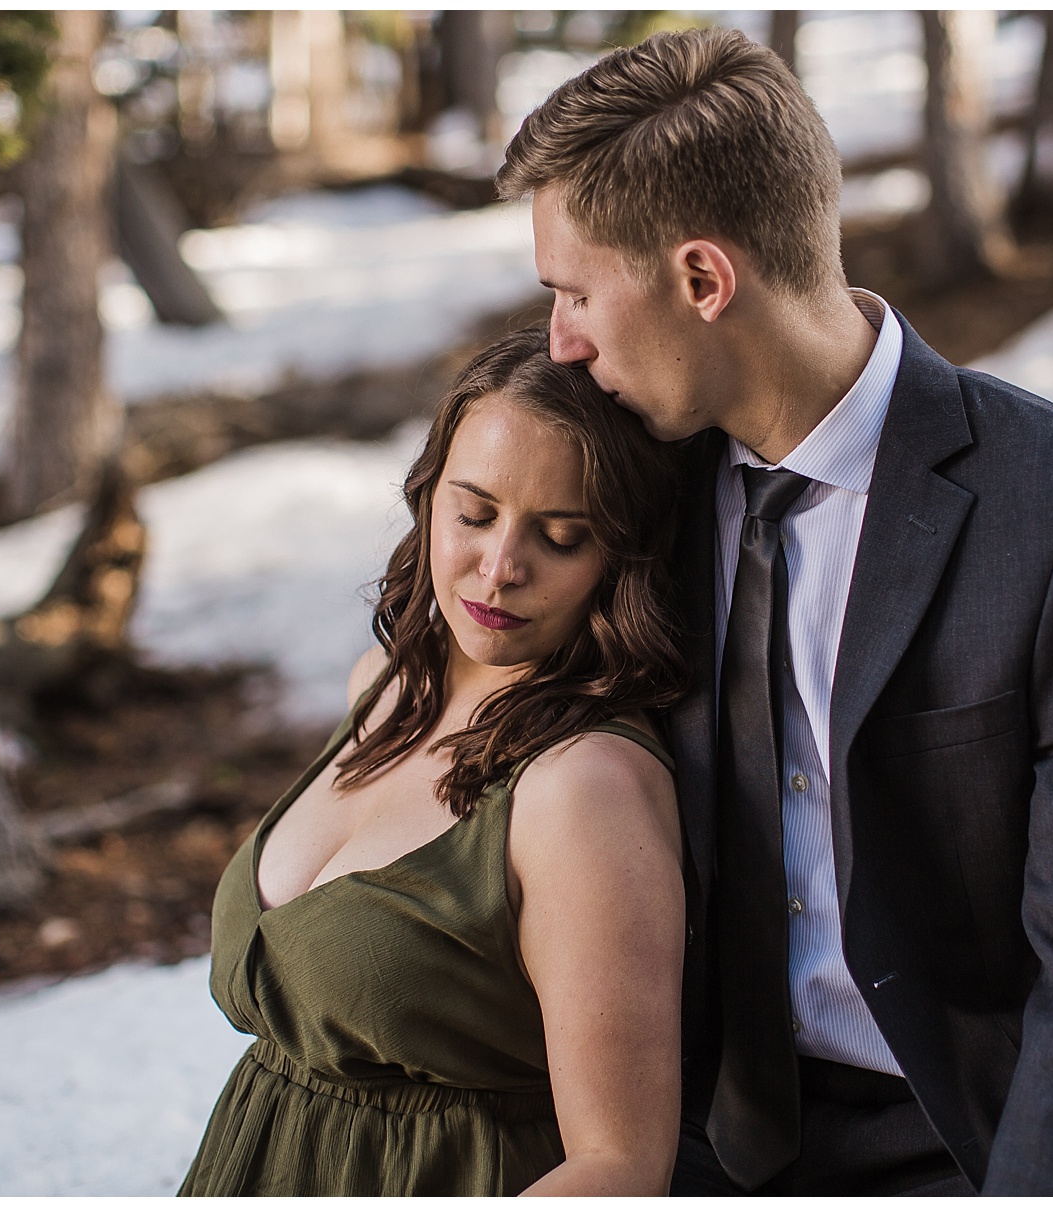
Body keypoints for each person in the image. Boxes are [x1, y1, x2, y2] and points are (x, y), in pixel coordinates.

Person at [497, 26, 1053, 1197]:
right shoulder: (633, 488)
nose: (561, 344)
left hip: (1000, 1132)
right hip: (704, 1146)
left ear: (704, 279)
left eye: (574, 294)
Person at [179, 328, 688, 1196]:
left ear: (619, 561)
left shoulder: (583, 787)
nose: (500, 569)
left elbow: (619, 1166)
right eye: (475, 513)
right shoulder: (381, 688)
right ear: (428, 497)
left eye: (562, 537)